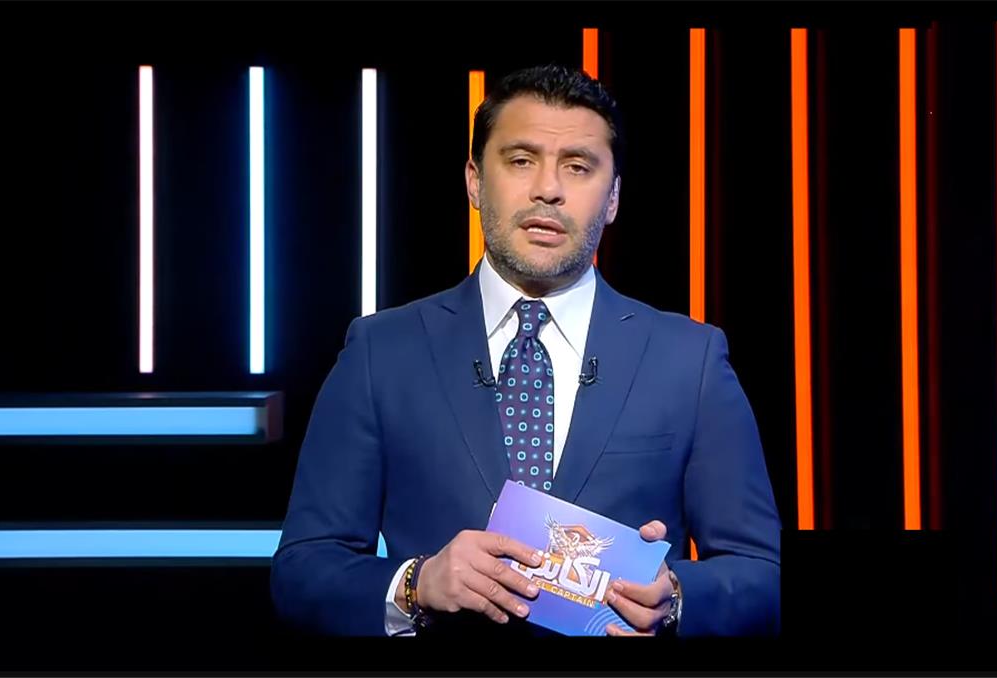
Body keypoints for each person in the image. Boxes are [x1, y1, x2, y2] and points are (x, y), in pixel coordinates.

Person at [270, 64, 781, 638]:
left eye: (578, 166)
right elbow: (303, 571)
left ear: (613, 196)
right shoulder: (379, 353)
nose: (548, 188)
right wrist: (417, 583)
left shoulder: (690, 360)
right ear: (473, 181)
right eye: (520, 160)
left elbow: (762, 574)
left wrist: (678, 598)